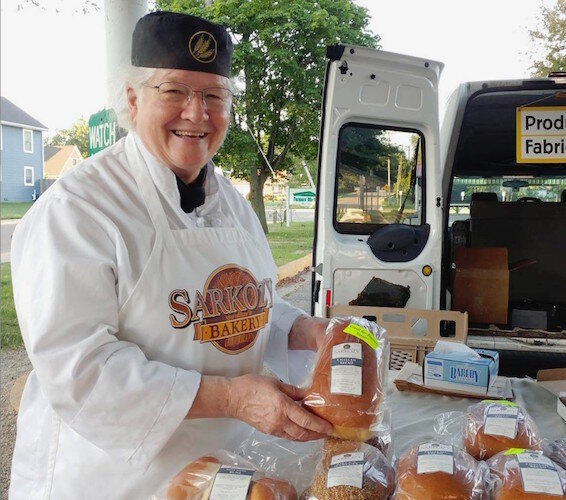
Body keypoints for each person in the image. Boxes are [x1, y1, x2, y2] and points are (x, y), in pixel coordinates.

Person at [9, 11, 332, 499]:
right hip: (108, 481)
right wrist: (232, 399)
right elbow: (81, 372)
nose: (197, 114)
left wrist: (300, 330)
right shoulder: (78, 210)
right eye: (175, 90)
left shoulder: (232, 204)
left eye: (214, 96)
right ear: (133, 99)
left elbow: (240, 301)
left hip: (220, 475)